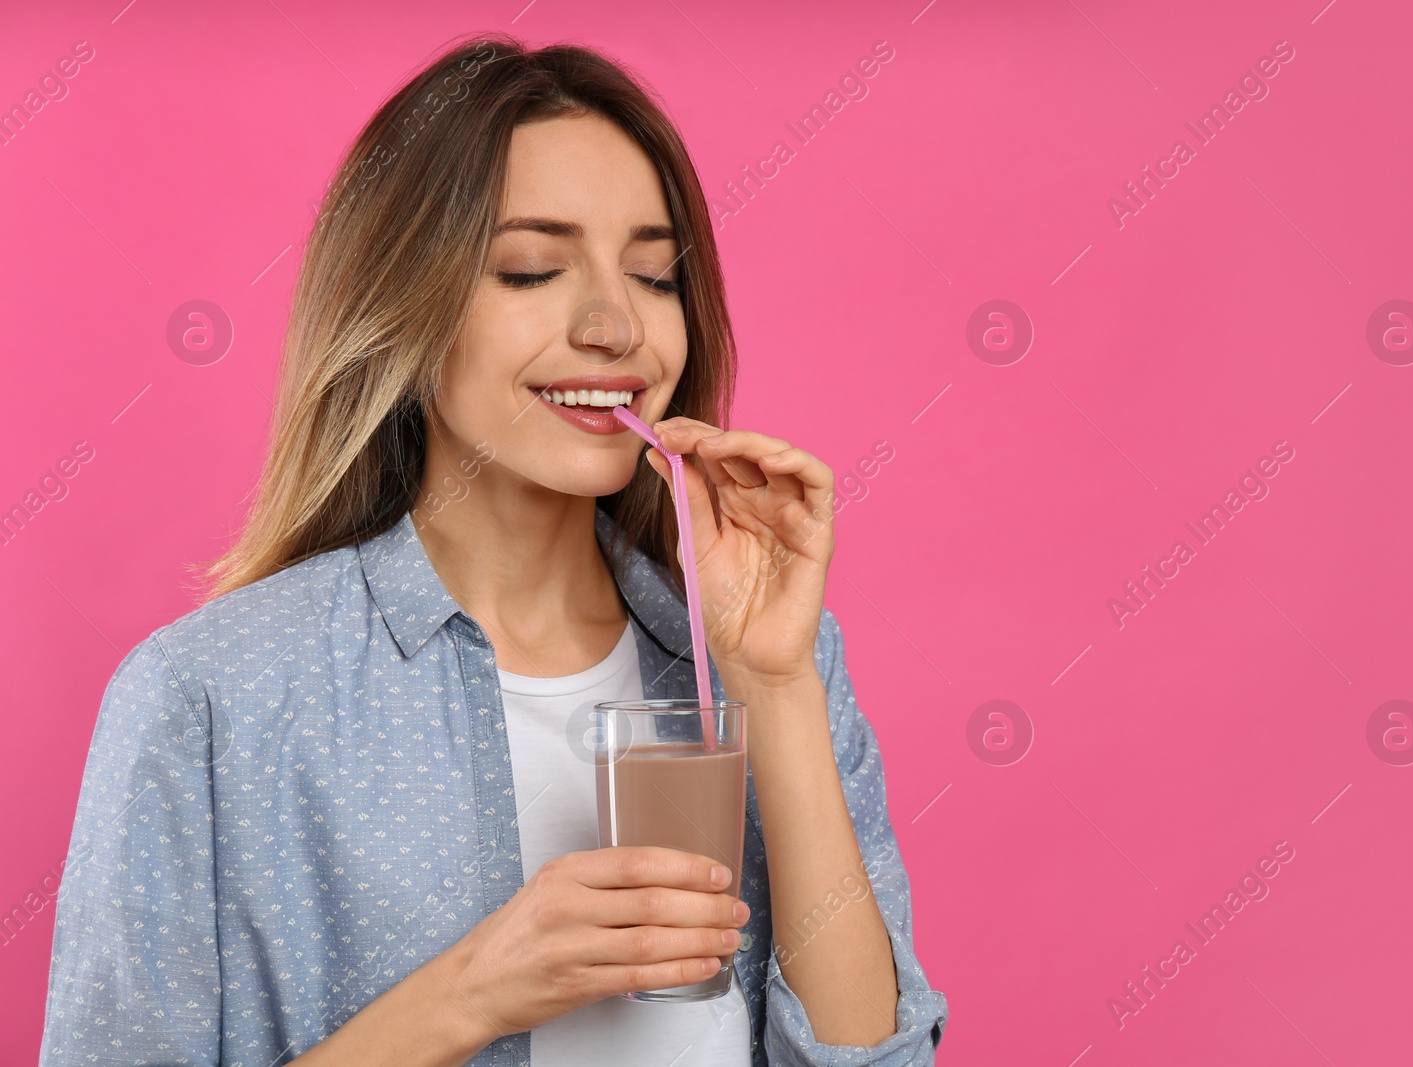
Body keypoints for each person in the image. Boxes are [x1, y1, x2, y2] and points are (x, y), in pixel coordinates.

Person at [38, 34, 947, 1067]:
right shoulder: (209, 699)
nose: (614, 325)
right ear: (405, 309)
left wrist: (775, 687)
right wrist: (475, 990)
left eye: (653, 275)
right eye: (530, 268)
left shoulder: (779, 658)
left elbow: (879, 1058)